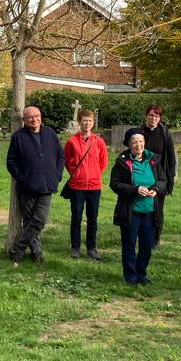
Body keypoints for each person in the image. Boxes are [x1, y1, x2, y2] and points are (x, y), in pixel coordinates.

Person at [6, 106, 65, 265]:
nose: (34, 119)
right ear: (24, 120)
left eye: (37, 116)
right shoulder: (19, 137)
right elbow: (11, 162)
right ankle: (36, 253)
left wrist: (57, 175)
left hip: (47, 186)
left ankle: (17, 248)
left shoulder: (50, 134)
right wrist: (23, 178)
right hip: (27, 187)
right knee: (30, 220)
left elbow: (60, 156)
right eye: (30, 117)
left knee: (39, 220)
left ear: (41, 117)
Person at [110, 133, 166, 285]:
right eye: (134, 142)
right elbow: (114, 184)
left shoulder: (154, 160)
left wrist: (156, 189)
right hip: (130, 211)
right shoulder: (122, 162)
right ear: (129, 145)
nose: (138, 145)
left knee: (147, 245)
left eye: (141, 141)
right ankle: (130, 276)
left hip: (150, 211)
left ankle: (141, 274)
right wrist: (135, 189)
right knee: (129, 244)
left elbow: (163, 180)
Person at [63, 109, 108, 260]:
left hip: (94, 187)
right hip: (77, 186)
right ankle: (75, 247)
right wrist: (77, 174)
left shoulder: (99, 141)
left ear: (93, 123)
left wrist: (94, 173)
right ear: (79, 122)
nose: (87, 123)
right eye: (84, 120)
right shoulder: (72, 141)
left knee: (92, 218)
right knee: (76, 216)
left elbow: (103, 162)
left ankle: (91, 248)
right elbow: (67, 160)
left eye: (89, 120)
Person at [128, 105, 177, 246]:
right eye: (150, 115)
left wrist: (170, 176)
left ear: (159, 118)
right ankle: (139, 236)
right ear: (146, 116)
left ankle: (155, 239)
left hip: (160, 176)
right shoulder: (140, 132)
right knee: (140, 205)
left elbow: (171, 156)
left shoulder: (164, 133)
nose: (153, 118)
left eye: (156, 116)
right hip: (142, 172)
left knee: (158, 208)